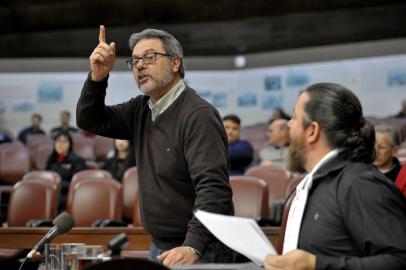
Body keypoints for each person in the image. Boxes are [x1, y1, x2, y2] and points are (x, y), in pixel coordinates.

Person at [76, 26, 234, 266]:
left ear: (174, 63)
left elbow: (213, 189)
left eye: (150, 57)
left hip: (199, 250)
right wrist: (98, 78)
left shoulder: (198, 115)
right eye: (135, 60)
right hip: (160, 245)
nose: (139, 65)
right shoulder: (141, 109)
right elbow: (89, 120)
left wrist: (193, 245)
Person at [264, 83, 406, 270]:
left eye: (294, 117)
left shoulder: (360, 184)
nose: (289, 124)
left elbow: (400, 260)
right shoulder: (314, 183)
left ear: (312, 131)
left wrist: (316, 265)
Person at [45, 131, 86, 209]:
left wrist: (57, 185)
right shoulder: (50, 159)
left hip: (67, 194)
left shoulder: (78, 160)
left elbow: (76, 183)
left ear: (70, 144)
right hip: (50, 192)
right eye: (58, 141)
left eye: (64, 141)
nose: (60, 144)